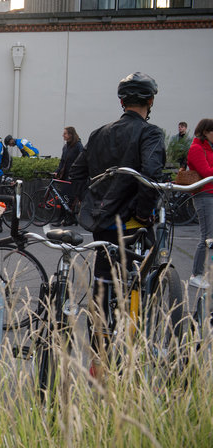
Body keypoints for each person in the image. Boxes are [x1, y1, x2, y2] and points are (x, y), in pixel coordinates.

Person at [69, 72, 165, 379]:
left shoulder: (99, 133)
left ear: (121, 101)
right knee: (138, 276)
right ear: (150, 102)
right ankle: (134, 343)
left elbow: (76, 172)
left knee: (102, 281)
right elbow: (150, 178)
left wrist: (93, 200)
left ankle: (98, 358)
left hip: (101, 220)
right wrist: (145, 212)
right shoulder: (150, 134)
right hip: (132, 220)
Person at [185, 119, 213, 289]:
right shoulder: (196, 148)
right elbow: (205, 172)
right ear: (205, 132)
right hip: (204, 196)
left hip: (211, 194)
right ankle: (196, 274)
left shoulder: (208, 148)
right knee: (206, 236)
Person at [52, 126, 85, 226]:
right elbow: (62, 161)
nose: (63, 135)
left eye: (65, 133)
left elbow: (81, 160)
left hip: (73, 176)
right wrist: (57, 171)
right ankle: (70, 218)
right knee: (65, 197)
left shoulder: (78, 146)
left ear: (70, 135)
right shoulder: (66, 147)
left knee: (65, 197)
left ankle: (63, 218)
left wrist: (77, 172)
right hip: (65, 175)